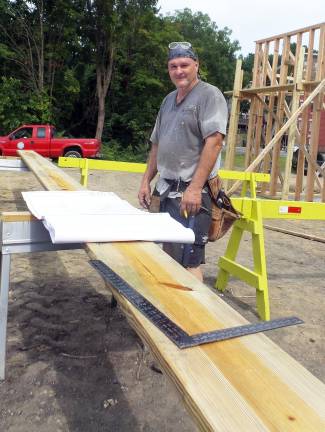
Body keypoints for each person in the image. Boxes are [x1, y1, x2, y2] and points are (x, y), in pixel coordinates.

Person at [138, 41, 228, 281]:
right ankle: (170, 307)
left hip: (192, 192)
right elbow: (157, 143)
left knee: (190, 259)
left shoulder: (209, 95)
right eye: (173, 66)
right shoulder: (168, 100)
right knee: (168, 251)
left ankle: (192, 317)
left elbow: (215, 142)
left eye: (185, 65)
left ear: (196, 65)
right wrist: (146, 180)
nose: (179, 71)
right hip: (166, 189)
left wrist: (196, 188)